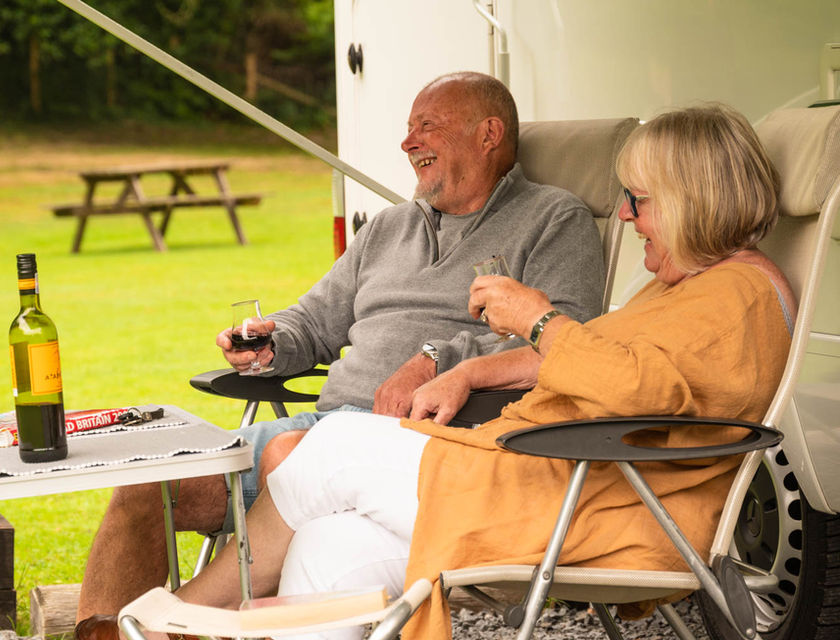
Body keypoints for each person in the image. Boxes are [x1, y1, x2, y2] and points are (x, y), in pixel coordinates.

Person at [117, 103, 797, 640]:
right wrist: (476, 371)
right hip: (543, 480)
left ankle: (170, 618)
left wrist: (535, 316)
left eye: (639, 200)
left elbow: (636, 390)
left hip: (579, 501)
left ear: (689, 200)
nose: (625, 214)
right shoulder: (691, 289)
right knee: (330, 548)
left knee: (332, 450)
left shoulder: (735, 300)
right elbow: (610, 364)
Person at [75, 71, 605, 629]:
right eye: (407, 129)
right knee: (148, 484)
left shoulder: (554, 217)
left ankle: (180, 619)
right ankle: (107, 630)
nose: (408, 142)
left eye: (427, 126)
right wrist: (270, 341)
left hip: (427, 438)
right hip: (326, 426)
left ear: (488, 133)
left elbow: (564, 336)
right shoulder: (387, 227)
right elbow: (315, 320)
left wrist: (434, 358)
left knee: (298, 454)